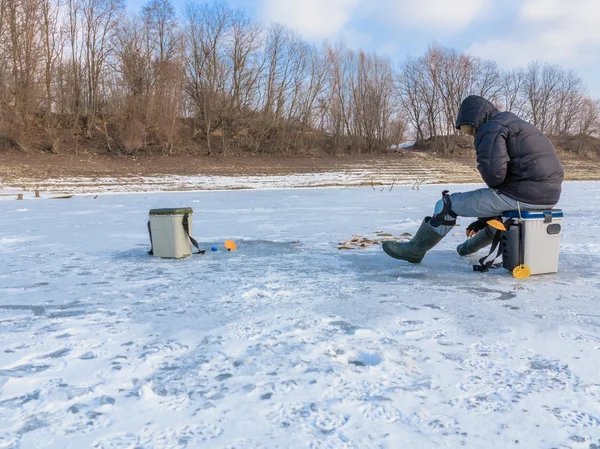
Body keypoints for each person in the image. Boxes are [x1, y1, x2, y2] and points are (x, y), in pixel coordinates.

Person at [382, 95, 564, 264]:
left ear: (477, 118)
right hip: (548, 197)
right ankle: (466, 248)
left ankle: (415, 250)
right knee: (499, 221)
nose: (470, 134)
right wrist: (484, 218)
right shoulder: (517, 124)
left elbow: (494, 176)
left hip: (521, 194)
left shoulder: (491, 127)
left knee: (446, 205)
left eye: (468, 128)